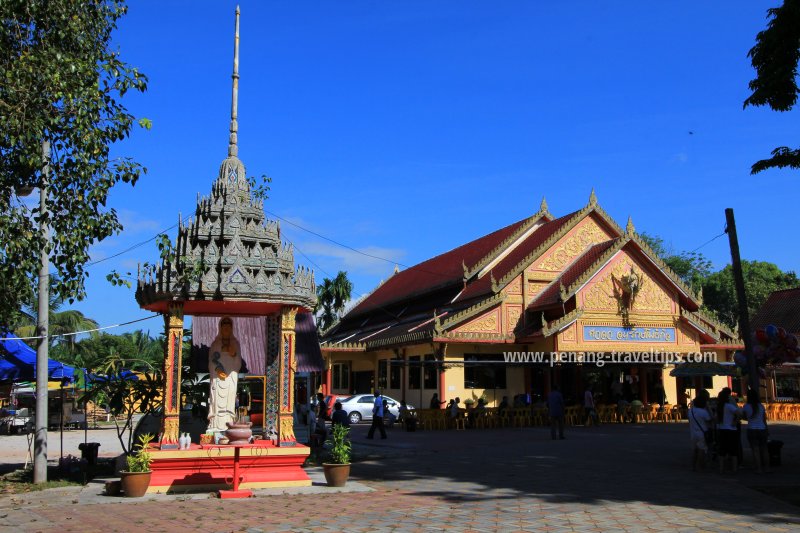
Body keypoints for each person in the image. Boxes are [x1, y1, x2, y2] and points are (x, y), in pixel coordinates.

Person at [207, 317, 247, 433]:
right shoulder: (215, 344)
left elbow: (238, 364)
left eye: (228, 327)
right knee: (216, 400)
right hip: (218, 378)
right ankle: (215, 423)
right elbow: (211, 362)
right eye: (223, 327)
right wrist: (217, 370)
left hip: (230, 378)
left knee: (229, 401)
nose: (226, 329)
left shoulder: (235, 344)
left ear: (231, 329)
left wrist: (233, 354)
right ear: (220, 328)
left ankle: (228, 422)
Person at [743, 389, 770, 474]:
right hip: (762, 428)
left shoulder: (746, 406)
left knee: (755, 450)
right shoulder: (761, 406)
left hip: (752, 429)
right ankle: (766, 468)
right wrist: (766, 428)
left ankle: (758, 468)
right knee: (764, 449)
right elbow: (764, 419)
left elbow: (745, 417)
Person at [716, 387, 742, 474]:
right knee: (733, 451)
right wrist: (735, 421)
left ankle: (721, 469)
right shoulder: (729, 406)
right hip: (731, 429)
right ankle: (734, 469)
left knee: (722, 451)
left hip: (722, 429)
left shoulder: (719, 407)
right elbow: (739, 413)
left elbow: (716, 418)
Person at [688, 394, 713, 471]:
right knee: (701, 450)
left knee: (694, 450)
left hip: (693, 433)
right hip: (702, 433)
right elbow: (710, 420)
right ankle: (700, 466)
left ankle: (693, 466)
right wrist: (709, 409)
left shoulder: (690, 411)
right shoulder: (703, 412)